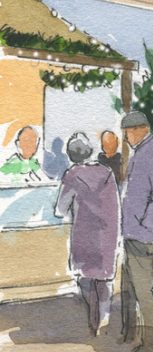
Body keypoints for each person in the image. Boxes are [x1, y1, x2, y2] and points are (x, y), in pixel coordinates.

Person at [54, 132, 120, 336]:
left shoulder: (72, 174)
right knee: (104, 278)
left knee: (85, 276)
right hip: (107, 232)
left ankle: (93, 316)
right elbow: (115, 205)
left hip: (85, 233)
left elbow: (60, 208)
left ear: (71, 154)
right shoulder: (107, 172)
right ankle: (103, 318)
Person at [119, 110, 153, 352]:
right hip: (132, 231)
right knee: (131, 286)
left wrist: (147, 225)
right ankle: (131, 334)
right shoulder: (143, 150)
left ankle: (151, 343)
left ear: (140, 129)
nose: (126, 137)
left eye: (128, 132)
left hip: (140, 233)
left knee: (143, 290)